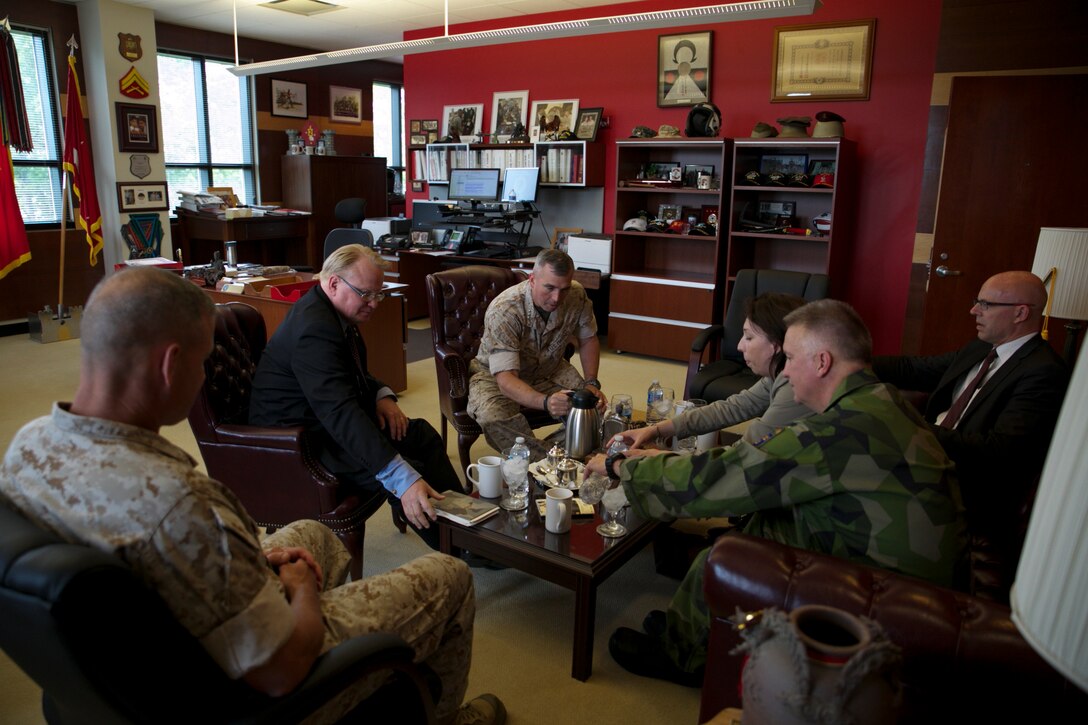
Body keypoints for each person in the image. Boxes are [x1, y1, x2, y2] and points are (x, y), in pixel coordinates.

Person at [0, 267, 505, 724]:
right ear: (170, 364)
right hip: (251, 685)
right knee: (450, 577)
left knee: (314, 536)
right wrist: (300, 590)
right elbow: (281, 669)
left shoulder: (26, 447)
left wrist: (251, 560)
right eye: (202, 361)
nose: (202, 376)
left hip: (150, 645)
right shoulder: (183, 503)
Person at [586, 299, 967, 687]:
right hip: (913, 577)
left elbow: (728, 474)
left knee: (724, 555)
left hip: (889, 594)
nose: (784, 371)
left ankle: (682, 656)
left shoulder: (835, 433)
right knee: (762, 522)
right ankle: (693, 623)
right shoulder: (880, 400)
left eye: (791, 359)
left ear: (821, 362)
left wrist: (622, 466)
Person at [249, 245, 462, 548]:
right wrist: (402, 478)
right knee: (410, 471)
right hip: (298, 445)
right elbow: (340, 413)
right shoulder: (314, 329)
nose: (374, 304)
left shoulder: (333, 311)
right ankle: (456, 545)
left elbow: (347, 373)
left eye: (379, 294)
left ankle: (466, 519)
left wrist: (381, 395)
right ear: (335, 283)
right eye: (366, 294)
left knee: (422, 435)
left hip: (322, 424)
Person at [872, 270, 1068, 569]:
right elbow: (915, 368)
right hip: (927, 455)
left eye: (986, 304)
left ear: (1020, 313)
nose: (974, 310)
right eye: (977, 301)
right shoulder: (981, 347)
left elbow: (998, 450)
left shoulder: (1043, 372)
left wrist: (914, 429)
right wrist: (850, 359)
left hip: (962, 483)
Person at [625, 292, 813, 451]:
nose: (739, 346)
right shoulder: (780, 373)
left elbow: (739, 458)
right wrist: (657, 430)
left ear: (776, 344)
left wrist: (658, 459)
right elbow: (733, 408)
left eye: (749, 337)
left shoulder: (796, 389)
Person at [467, 248, 604, 459]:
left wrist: (591, 382)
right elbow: (505, 378)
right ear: (532, 280)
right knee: (492, 418)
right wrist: (546, 402)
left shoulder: (576, 295)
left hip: (550, 369)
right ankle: (551, 460)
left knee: (596, 412)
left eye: (564, 289)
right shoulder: (505, 309)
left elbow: (588, 339)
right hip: (495, 376)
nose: (557, 298)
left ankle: (554, 454)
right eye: (549, 287)